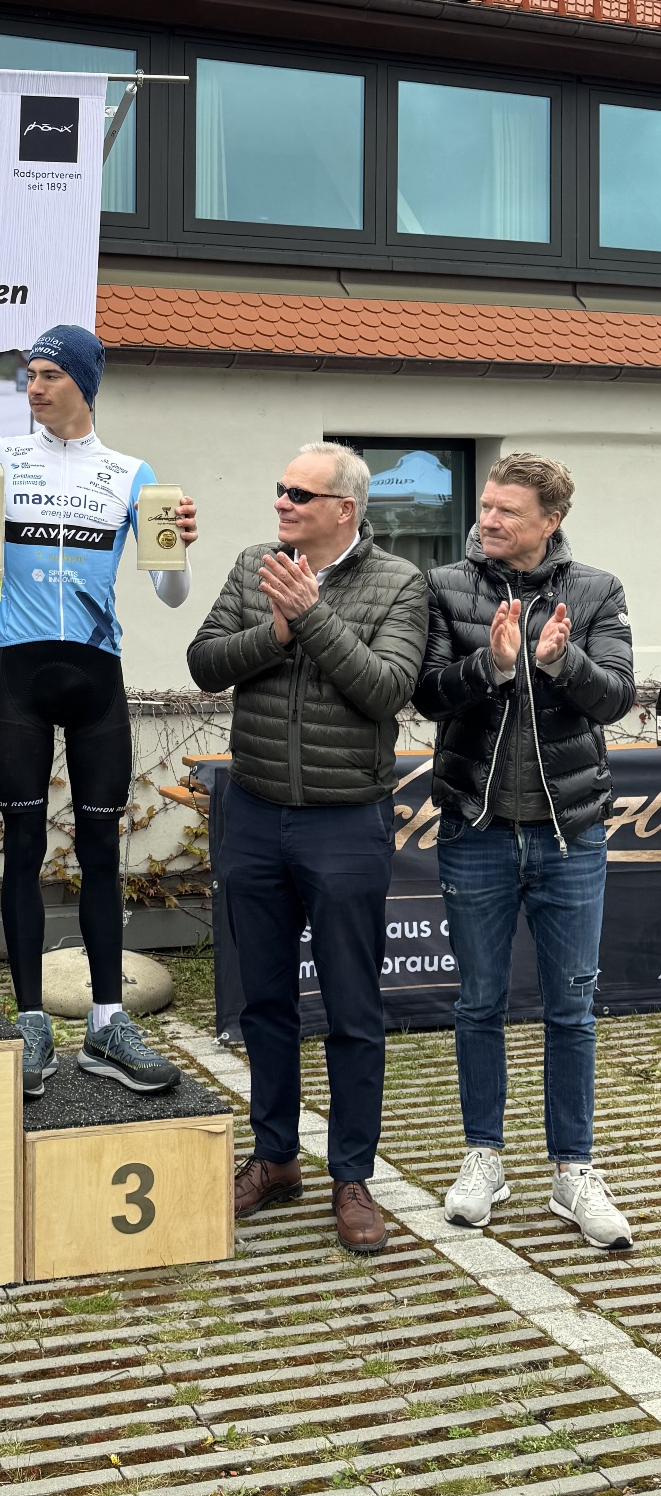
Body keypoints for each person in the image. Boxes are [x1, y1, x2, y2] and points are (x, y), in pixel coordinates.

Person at [188, 442, 428, 1255]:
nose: (282, 502)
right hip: (254, 813)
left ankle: (352, 1176)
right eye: (281, 489)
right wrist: (277, 629)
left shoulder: (399, 583)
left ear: (345, 509)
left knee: (354, 1009)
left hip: (345, 822)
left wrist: (312, 618)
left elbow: (386, 691)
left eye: (300, 493)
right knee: (264, 1003)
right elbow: (204, 664)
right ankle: (276, 1156)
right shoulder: (255, 564)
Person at [415, 454, 635, 1249]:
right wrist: (494, 666)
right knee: (479, 1003)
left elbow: (617, 697)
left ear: (551, 520)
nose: (488, 520)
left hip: (569, 835)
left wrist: (558, 662)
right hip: (475, 830)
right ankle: (484, 1157)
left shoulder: (598, 590)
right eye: (485, 505)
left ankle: (574, 1170)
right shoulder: (445, 587)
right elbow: (425, 692)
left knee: (572, 1009)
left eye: (508, 510)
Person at [0, 325, 197, 1096]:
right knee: (23, 847)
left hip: (97, 676)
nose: (34, 387)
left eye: (49, 374)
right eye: (29, 374)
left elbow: (171, 592)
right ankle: (31, 1024)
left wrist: (180, 547)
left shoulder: (132, 474)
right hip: (20, 677)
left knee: (102, 851)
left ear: (85, 384)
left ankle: (107, 1024)